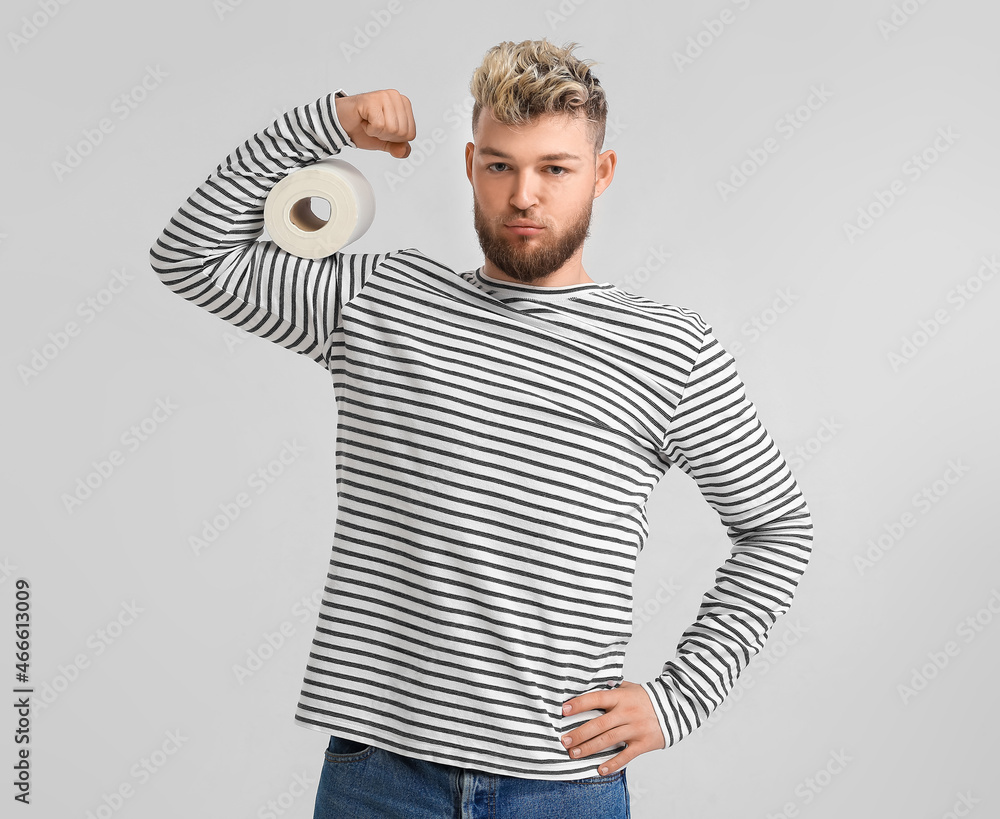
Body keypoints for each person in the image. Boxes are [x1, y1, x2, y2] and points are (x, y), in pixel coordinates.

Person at [150, 38, 813, 819]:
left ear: (600, 175)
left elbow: (777, 528)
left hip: (561, 784)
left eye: (555, 168)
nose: (524, 195)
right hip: (380, 774)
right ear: (470, 165)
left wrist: (679, 699)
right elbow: (190, 256)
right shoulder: (382, 303)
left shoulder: (670, 348)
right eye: (501, 165)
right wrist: (325, 121)